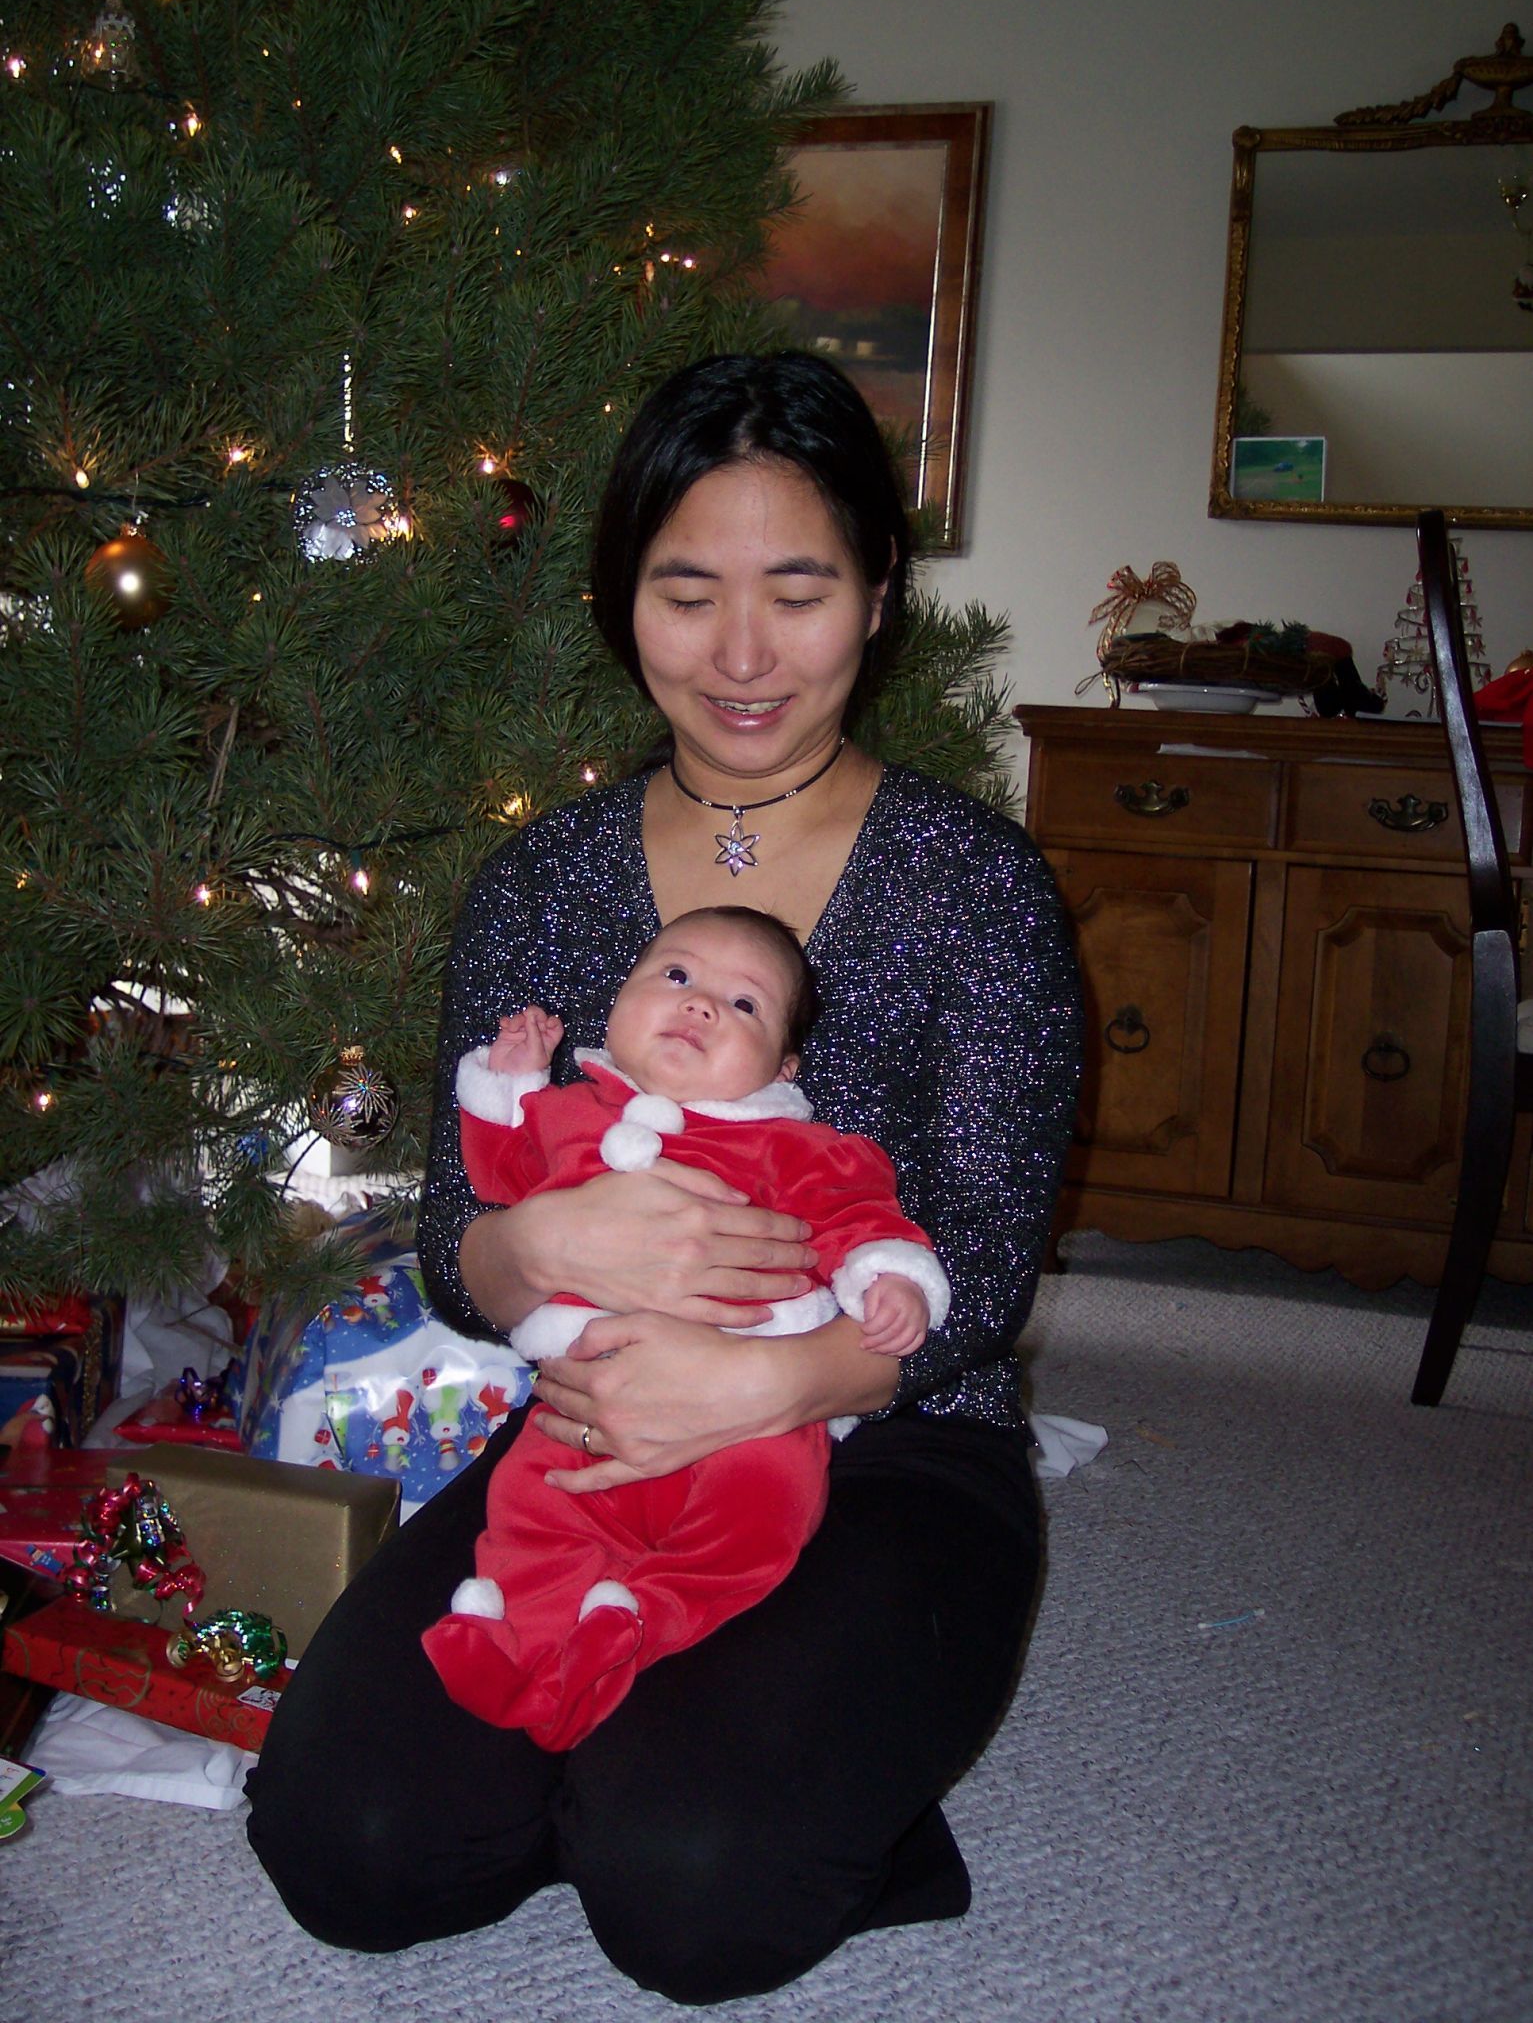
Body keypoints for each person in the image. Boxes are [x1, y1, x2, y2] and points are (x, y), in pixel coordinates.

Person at [246, 349, 1083, 2006]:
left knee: (693, 1897)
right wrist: (539, 1237)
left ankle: (737, 1791)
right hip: (593, 1438)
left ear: (878, 592)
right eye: (687, 593)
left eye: (798, 592)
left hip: (896, 1441)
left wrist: (767, 1377)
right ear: (622, 594)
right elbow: (455, 1248)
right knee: (348, 1850)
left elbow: (980, 1272)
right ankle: (644, 1760)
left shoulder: (973, 885)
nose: (742, 655)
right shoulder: (542, 879)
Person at [422, 904, 948, 1750]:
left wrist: (890, 1278)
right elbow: (498, 1177)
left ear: (781, 1065)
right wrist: (507, 1087)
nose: (700, 1003)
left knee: (758, 1519)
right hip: (583, 1402)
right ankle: (522, 1646)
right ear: (616, 1006)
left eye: (743, 1004)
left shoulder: (795, 1145)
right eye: (674, 976)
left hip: (750, 1422)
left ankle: (645, 1619)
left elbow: (858, 1216)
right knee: (531, 1506)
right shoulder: (571, 1113)